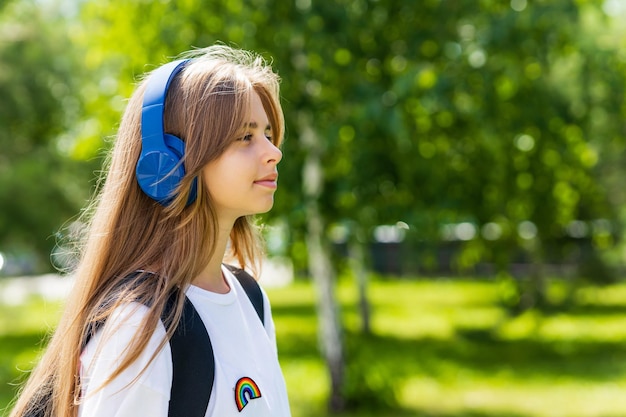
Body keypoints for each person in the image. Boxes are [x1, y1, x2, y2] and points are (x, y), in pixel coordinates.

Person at [9, 45, 291, 417]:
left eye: (269, 134)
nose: (274, 152)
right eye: (246, 137)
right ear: (168, 164)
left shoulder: (251, 298)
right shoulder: (140, 324)